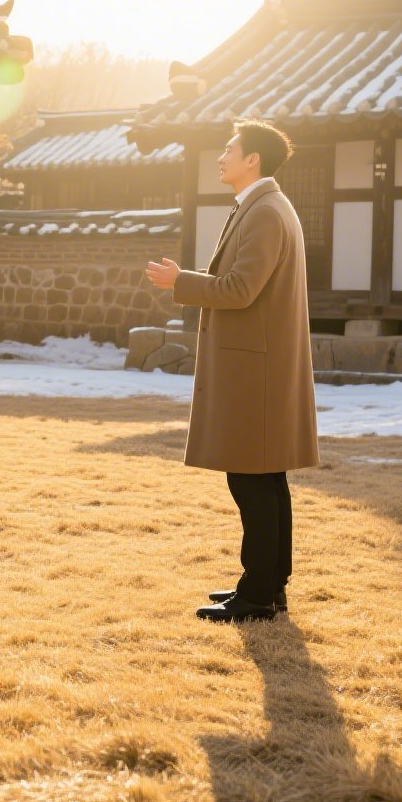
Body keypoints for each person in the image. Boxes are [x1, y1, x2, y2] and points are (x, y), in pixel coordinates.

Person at [146, 119, 318, 622]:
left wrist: (182, 282)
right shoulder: (264, 206)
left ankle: (258, 594)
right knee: (266, 481)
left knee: (252, 483)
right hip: (259, 366)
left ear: (253, 160)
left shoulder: (265, 212)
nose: (220, 156)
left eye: (229, 149)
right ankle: (267, 586)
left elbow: (240, 288)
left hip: (255, 372)